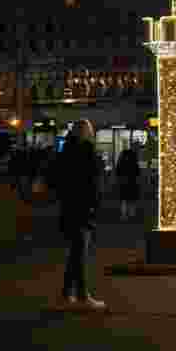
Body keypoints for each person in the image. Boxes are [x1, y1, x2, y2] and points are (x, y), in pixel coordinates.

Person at [57, 120, 105, 310]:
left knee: (74, 253)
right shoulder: (86, 151)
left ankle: (67, 293)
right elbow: (93, 182)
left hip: (68, 207)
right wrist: (94, 205)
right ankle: (83, 295)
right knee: (80, 254)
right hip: (83, 208)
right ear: (87, 133)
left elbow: (59, 178)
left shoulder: (65, 151)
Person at [115, 144, 140, 221]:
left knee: (123, 199)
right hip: (132, 181)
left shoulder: (121, 161)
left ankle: (124, 215)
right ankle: (131, 214)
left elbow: (117, 171)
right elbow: (137, 171)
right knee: (132, 199)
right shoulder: (133, 160)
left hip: (123, 182)